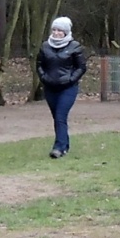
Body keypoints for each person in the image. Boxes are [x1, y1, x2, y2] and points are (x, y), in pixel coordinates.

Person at [36, 16, 87, 158]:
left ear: (66, 32)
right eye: (54, 29)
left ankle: (58, 148)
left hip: (68, 88)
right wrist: (44, 77)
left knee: (60, 116)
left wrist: (71, 79)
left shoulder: (74, 46)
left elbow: (81, 67)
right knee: (57, 118)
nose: (56, 32)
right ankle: (65, 145)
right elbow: (39, 64)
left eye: (60, 30)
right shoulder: (45, 46)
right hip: (50, 87)